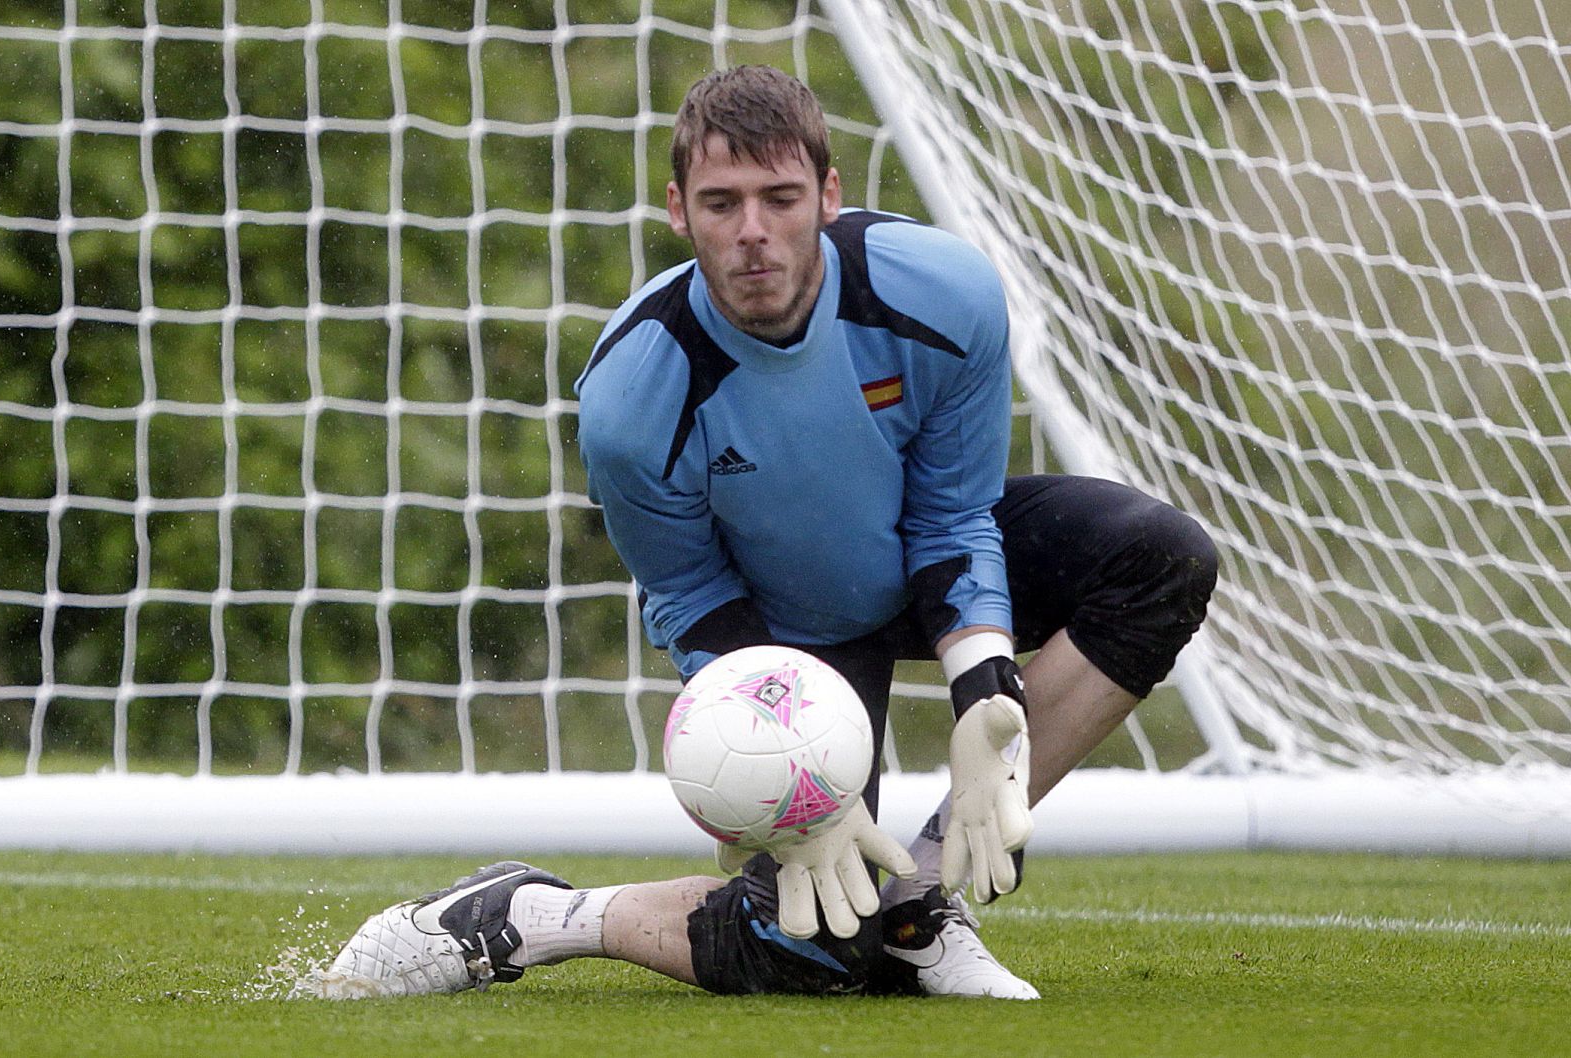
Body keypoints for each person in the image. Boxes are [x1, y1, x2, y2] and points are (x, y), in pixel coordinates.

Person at [324, 65, 1218, 1001]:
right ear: (678, 209)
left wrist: (984, 694)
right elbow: (690, 600)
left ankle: (918, 901)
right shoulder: (632, 400)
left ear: (829, 196)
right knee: (808, 954)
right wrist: (799, 782)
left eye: (781, 198)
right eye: (722, 203)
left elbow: (954, 518)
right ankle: (528, 915)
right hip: (786, 636)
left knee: (1164, 557)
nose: (753, 232)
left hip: (921, 557)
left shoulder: (946, 295)